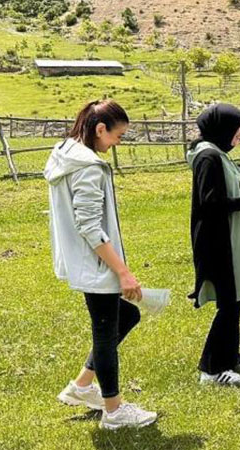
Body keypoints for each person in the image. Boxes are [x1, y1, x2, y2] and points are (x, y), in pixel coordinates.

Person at [47, 99, 158, 430]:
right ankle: (113, 411)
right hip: (96, 265)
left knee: (127, 316)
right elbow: (90, 227)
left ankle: (81, 386)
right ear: (100, 129)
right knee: (106, 333)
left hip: (84, 263)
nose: (118, 143)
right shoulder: (89, 167)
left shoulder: (65, 154)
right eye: (118, 136)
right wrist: (122, 272)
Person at [187, 103, 240, 386]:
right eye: (238, 128)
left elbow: (220, 192)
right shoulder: (208, 157)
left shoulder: (217, 154)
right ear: (223, 128)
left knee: (236, 299)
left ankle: (230, 355)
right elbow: (210, 203)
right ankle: (211, 368)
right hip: (218, 242)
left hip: (228, 238)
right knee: (229, 302)